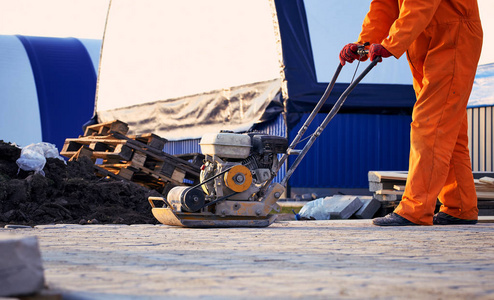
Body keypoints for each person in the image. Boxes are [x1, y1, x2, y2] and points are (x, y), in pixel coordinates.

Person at [340, 0, 483, 226]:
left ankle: (415, 209)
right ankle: (460, 206)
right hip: (424, 39)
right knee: (449, 130)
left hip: (453, 37)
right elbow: (384, 5)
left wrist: (392, 42)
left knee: (430, 124)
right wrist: (365, 43)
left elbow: (420, 3)